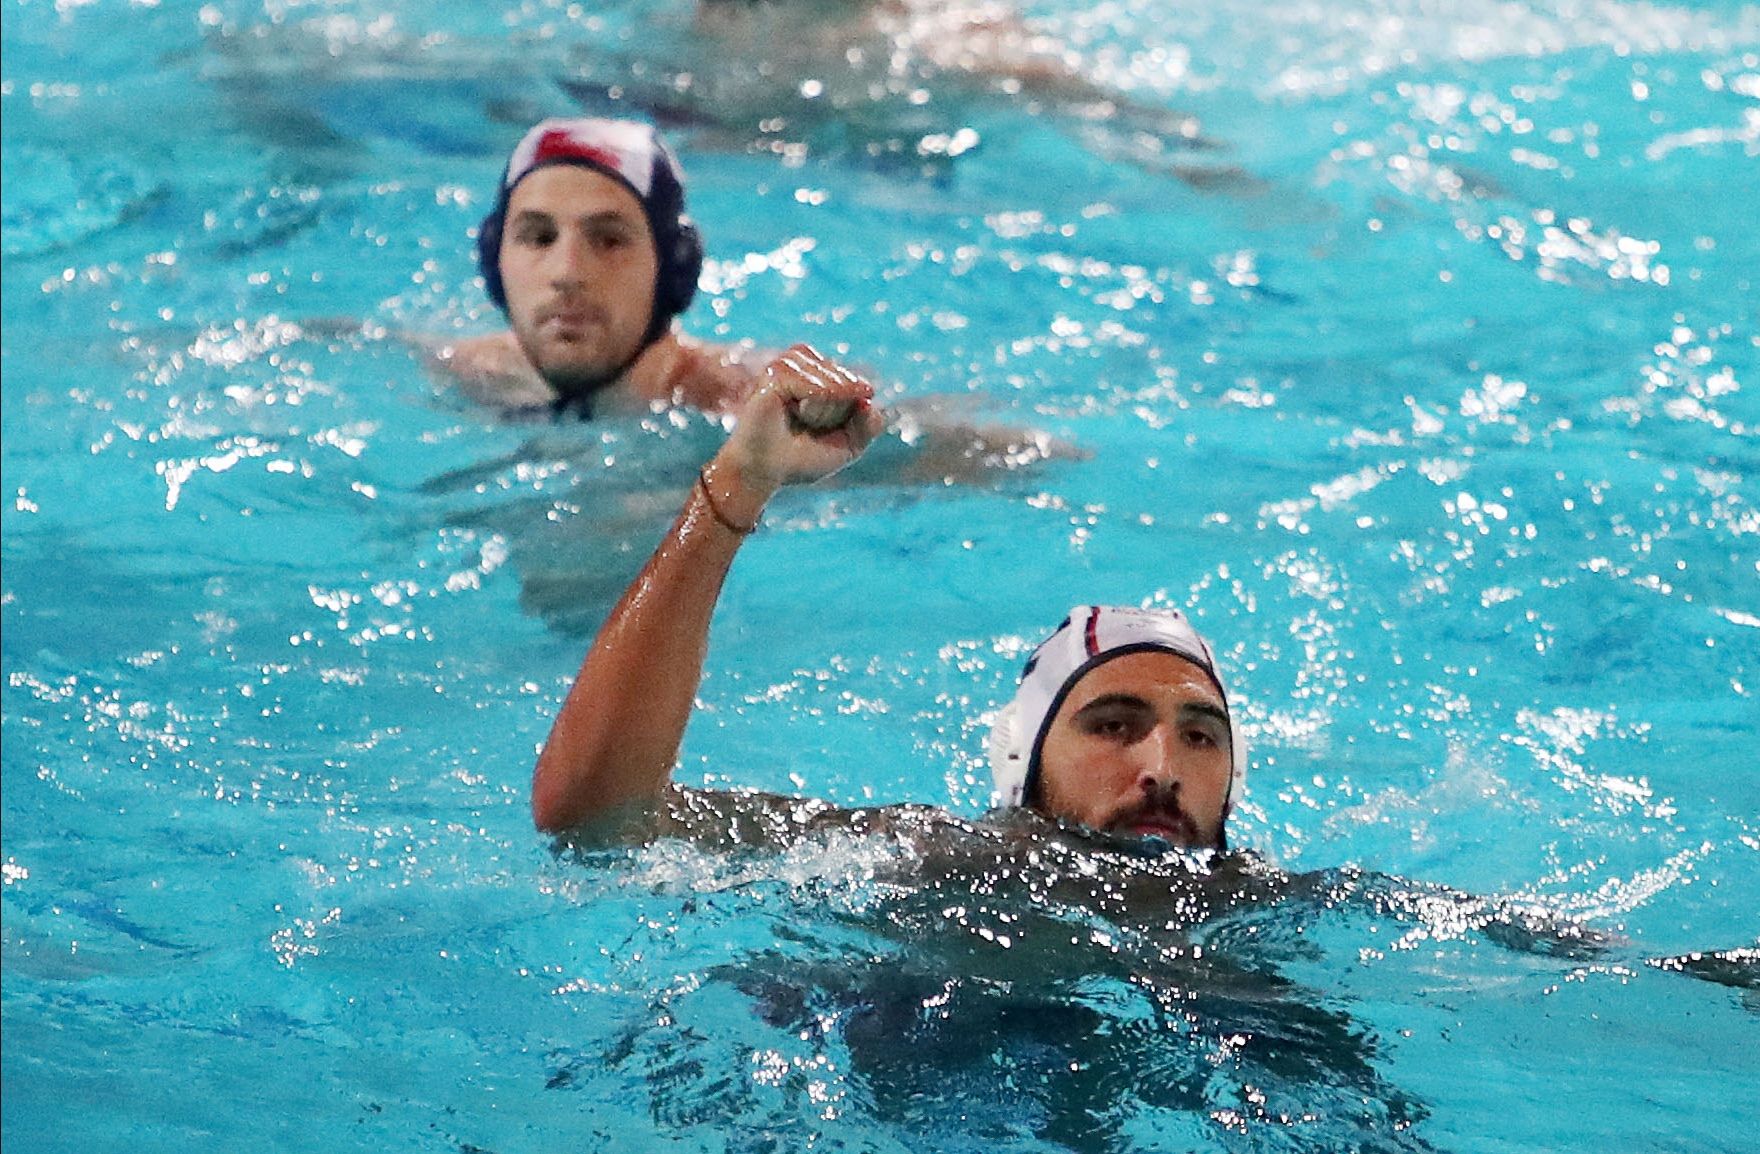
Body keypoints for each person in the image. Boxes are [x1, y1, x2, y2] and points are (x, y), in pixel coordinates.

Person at [531, 342, 1247, 853]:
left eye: (1200, 737)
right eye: (1113, 725)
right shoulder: (929, 864)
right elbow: (598, 818)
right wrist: (738, 484)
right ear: (1024, 767)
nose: (1163, 770)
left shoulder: (1277, 911)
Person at [432, 116, 763, 418]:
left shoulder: (752, 406)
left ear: (674, 268)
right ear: (494, 260)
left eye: (609, 240)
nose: (567, 273)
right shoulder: (456, 373)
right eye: (541, 238)